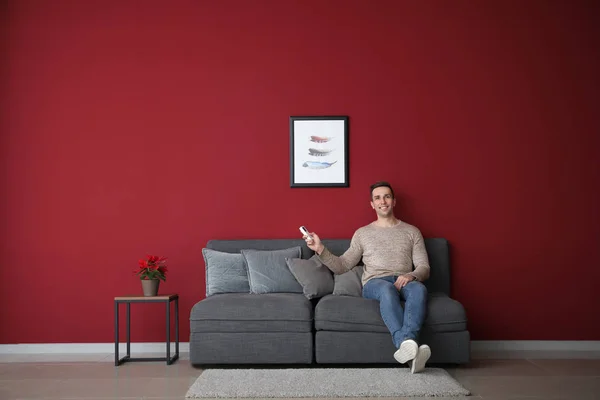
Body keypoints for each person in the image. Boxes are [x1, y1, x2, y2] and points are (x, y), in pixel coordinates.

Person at [303, 181, 432, 373]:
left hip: (404, 279)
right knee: (387, 289)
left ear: (394, 201)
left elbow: (424, 267)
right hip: (375, 283)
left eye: (387, 196)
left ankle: (409, 350)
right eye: (378, 198)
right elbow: (342, 265)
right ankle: (405, 341)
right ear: (372, 204)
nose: (383, 201)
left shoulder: (412, 232)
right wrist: (319, 249)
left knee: (419, 288)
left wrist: (411, 275)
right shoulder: (363, 234)